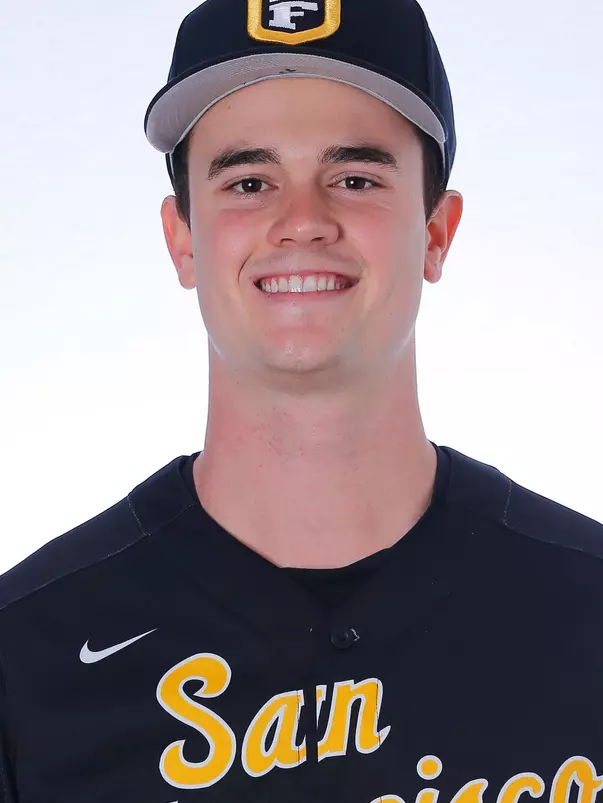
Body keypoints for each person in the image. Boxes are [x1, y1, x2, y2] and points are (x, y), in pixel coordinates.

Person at [1, 0, 602, 800]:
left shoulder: (585, 612)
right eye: (249, 181)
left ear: (435, 233)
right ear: (182, 239)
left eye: (354, 177)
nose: (302, 221)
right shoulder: (26, 657)